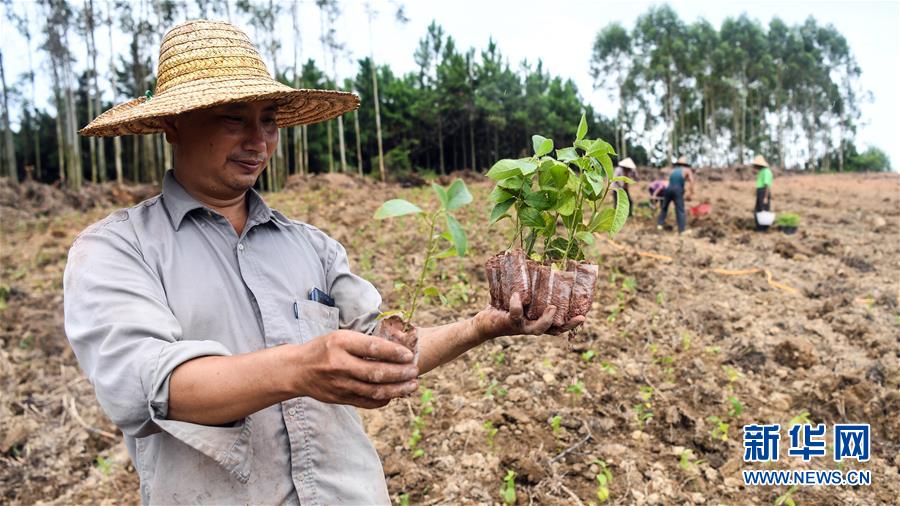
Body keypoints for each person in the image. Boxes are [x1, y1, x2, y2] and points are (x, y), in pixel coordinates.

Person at [64, 20, 584, 505]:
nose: (258, 141)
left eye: (269, 122)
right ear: (174, 124)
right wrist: (301, 366)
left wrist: (482, 327)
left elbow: (379, 352)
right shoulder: (117, 250)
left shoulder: (310, 246)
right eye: (232, 119)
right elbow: (146, 390)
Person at [656, 156, 695, 233]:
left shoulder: (673, 171)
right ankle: (682, 230)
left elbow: (669, 180)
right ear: (686, 165)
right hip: (677, 190)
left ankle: (659, 225)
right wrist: (691, 193)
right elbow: (691, 181)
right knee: (680, 210)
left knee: (664, 207)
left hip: (668, 189)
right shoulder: (687, 170)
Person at [752, 154, 773, 231]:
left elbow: (767, 185)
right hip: (760, 191)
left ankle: (763, 228)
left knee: (763, 211)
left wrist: (765, 197)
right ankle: (759, 227)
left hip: (764, 192)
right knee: (758, 210)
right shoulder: (761, 171)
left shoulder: (766, 172)